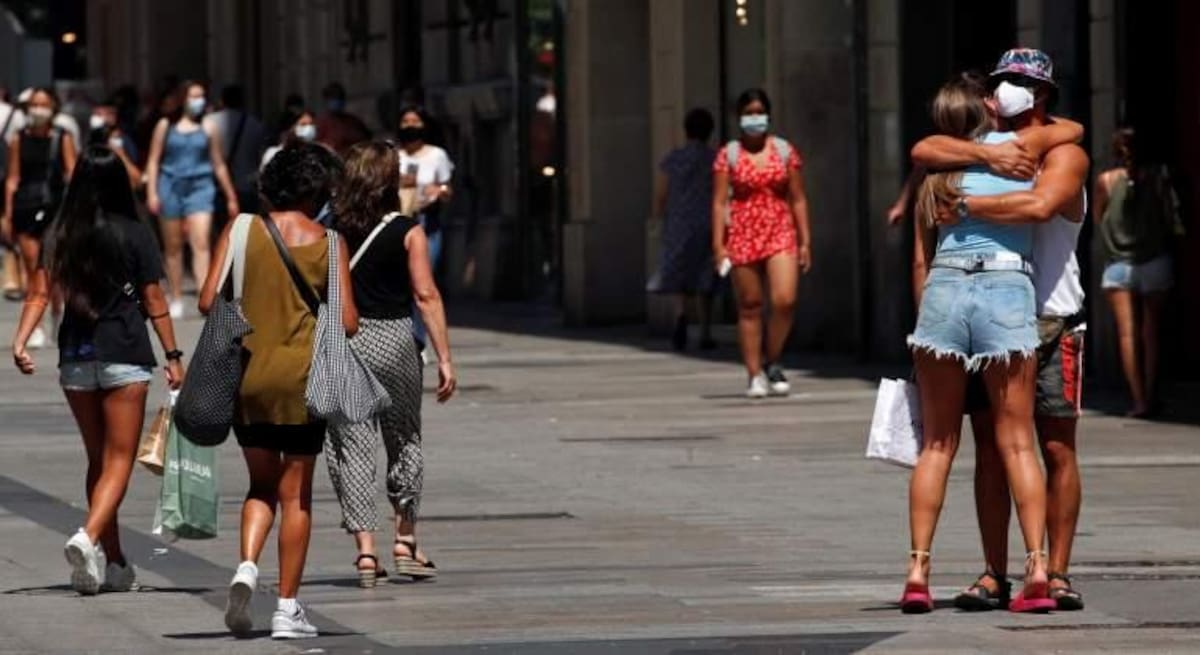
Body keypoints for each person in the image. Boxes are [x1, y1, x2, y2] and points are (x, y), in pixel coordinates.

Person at [912, 54, 1091, 612]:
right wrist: (982, 154)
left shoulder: (1064, 151)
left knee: (1055, 448)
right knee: (993, 448)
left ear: (1041, 95)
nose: (1005, 92)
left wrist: (963, 205)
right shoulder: (985, 147)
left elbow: (1039, 206)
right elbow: (925, 150)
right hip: (995, 313)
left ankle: (1054, 571)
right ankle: (995, 572)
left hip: (1052, 317)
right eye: (999, 84)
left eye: (1019, 85)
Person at [199, 141, 357, 640]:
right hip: (303, 381)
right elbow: (349, 323)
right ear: (317, 189)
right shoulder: (331, 243)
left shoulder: (241, 228)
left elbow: (207, 300)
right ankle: (287, 607)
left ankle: (247, 565)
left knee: (259, 486)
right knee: (298, 496)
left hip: (247, 378)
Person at [11, 145, 184, 595]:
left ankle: (116, 563)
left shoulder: (59, 233)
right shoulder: (134, 232)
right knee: (120, 459)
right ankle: (87, 537)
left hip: (76, 354)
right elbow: (155, 301)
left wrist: (20, 340)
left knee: (98, 459)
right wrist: (173, 356)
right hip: (125, 351)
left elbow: (38, 295)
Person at [327, 141, 457, 588]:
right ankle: (405, 540)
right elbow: (426, 296)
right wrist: (444, 357)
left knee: (353, 443)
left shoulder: (332, 230)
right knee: (404, 438)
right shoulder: (408, 231)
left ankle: (366, 552)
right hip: (396, 339)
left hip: (347, 341)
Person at [711, 89, 812, 398]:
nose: (754, 118)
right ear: (739, 117)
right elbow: (717, 203)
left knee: (785, 300)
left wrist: (805, 240)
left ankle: (773, 357)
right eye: (748, 113)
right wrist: (719, 245)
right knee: (750, 305)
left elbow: (797, 198)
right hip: (743, 231)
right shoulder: (728, 155)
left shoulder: (784, 151)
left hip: (780, 229)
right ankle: (754, 372)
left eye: (759, 112)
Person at [1094, 128, 1185, 418]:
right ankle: (1151, 393)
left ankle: (1138, 400)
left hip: (1119, 265)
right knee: (1151, 332)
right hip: (1154, 260)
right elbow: (1171, 216)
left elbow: (1098, 219)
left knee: (1127, 334)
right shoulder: (1158, 177)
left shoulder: (1105, 181)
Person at [145, 80, 239, 319]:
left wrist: (230, 195)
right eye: (194, 96)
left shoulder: (208, 127)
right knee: (173, 246)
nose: (199, 101)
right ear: (182, 99)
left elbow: (218, 163)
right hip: (171, 186)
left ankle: (203, 294)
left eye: (202, 96)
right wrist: (152, 193)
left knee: (201, 243)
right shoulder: (165, 125)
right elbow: (154, 160)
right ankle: (175, 295)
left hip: (201, 186)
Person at [3, 88, 78, 347]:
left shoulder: (61, 138)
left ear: (53, 108)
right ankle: (35, 325)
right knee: (32, 269)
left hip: (55, 209)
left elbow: (72, 174)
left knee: (54, 270)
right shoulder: (18, 139)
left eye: (43, 104)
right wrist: (8, 214)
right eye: (34, 104)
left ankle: (58, 316)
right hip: (26, 207)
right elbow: (13, 178)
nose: (38, 109)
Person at [651, 108, 718, 351]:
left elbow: (661, 193)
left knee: (681, 273)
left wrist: (659, 217)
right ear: (710, 132)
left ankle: (681, 315)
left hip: (679, 222)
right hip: (708, 222)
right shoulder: (715, 159)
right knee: (706, 276)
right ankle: (706, 330)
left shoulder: (673, 159)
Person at [395, 105, 454, 356]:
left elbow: (448, 189)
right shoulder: (394, 155)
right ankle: (406, 335)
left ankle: (419, 339)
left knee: (423, 283)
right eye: (405, 121)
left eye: (415, 121)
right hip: (399, 223)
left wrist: (438, 191)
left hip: (426, 223)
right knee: (403, 284)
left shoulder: (437, 155)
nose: (409, 126)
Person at [211, 84, 266, 216]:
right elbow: (260, 155)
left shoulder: (210, 122)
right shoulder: (255, 124)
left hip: (217, 188)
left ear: (222, 100)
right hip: (246, 186)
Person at [1, 89, 26, 301]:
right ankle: (16, 275)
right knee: (9, 220)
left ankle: (10, 275)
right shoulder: (15, 115)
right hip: (8, 172)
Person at [88, 102, 142, 187]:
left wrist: (119, 153)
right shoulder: (90, 142)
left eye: (111, 113)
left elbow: (138, 180)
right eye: (97, 113)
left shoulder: (125, 141)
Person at [316, 83, 370, 155]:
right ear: (326, 101)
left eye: (339, 98)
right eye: (333, 99)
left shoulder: (354, 122)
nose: (336, 102)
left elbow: (366, 140)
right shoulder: (321, 123)